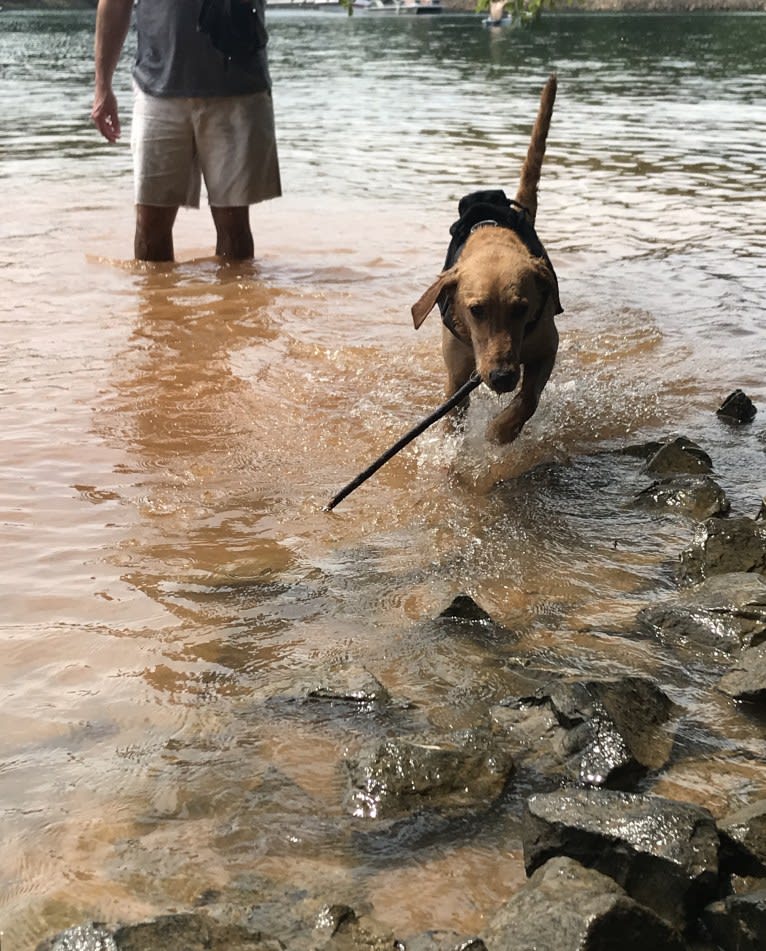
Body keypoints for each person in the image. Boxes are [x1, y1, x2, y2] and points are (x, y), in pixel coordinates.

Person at [92, 0, 281, 262]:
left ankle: (235, 302)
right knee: (150, 225)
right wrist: (102, 86)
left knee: (234, 225)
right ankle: (157, 301)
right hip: (157, 86)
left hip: (238, 87)